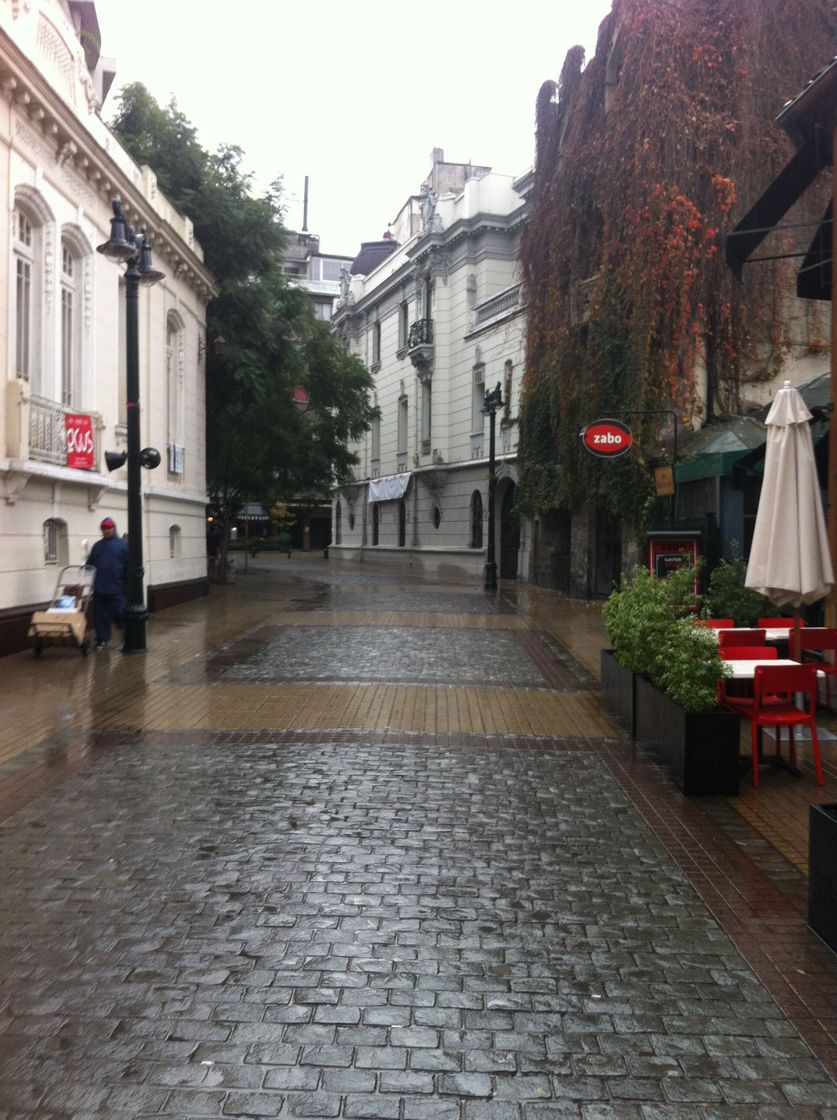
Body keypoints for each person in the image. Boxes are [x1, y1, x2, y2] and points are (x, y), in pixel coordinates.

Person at [87, 516, 127, 650]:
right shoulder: (97, 546)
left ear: (113, 528)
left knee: (119, 612)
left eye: (108, 528)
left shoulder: (122, 545)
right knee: (100, 614)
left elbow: (128, 566)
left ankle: (126, 630)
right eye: (103, 528)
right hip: (100, 587)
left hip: (117, 586)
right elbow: (90, 564)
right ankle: (102, 639)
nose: (106, 530)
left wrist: (127, 585)